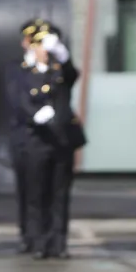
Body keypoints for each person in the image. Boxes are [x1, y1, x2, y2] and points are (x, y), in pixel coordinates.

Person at [17, 22, 86, 259]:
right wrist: (34, 114)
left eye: (47, 46)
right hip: (37, 140)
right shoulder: (25, 72)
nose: (44, 51)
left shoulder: (59, 71)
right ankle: (39, 241)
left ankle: (58, 242)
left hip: (61, 140)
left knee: (59, 193)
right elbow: (19, 99)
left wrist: (62, 55)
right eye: (40, 46)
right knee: (38, 194)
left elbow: (72, 74)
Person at [7, 18, 45, 254]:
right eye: (32, 40)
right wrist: (34, 114)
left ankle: (45, 237)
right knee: (28, 191)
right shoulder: (16, 68)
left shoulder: (53, 67)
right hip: (25, 137)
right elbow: (15, 99)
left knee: (47, 192)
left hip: (48, 140)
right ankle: (29, 235)